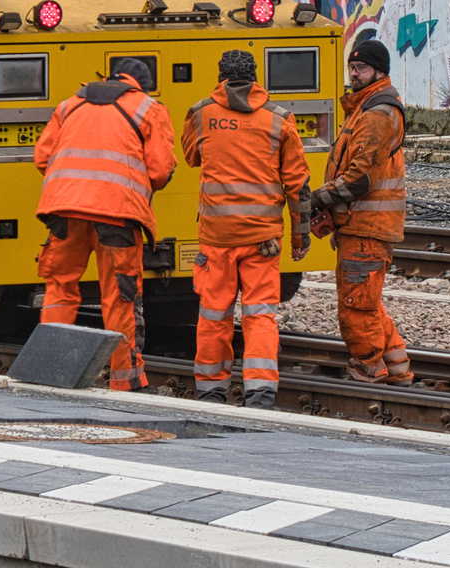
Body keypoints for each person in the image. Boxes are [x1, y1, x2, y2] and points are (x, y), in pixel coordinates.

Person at [32, 57, 176, 391]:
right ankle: (125, 381)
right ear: (140, 84)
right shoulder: (148, 108)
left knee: (60, 289)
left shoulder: (70, 104)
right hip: (116, 215)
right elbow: (159, 170)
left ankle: (49, 373)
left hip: (64, 210)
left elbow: (42, 157)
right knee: (119, 296)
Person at [182, 50, 309, 409]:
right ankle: (260, 391)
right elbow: (298, 185)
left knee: (213, 313)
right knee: (260, 315)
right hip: (263, 239)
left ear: (221, 77)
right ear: (255, 78)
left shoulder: (200, 113)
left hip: (216, 238)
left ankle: (210, 387)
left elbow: (191, 156)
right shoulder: (280, 119)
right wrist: (301, 237)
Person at [306, 39, 412, 385]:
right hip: (363, 224)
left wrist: (317, 198)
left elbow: (360, 178)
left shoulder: (376, 113)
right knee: (368, 300)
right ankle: (397, 369)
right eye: (352, 67)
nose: (354, 73)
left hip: (367, 225)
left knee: (356, 304)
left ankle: (368, 368)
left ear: (379, 71)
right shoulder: (367, 108)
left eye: (362, 68)